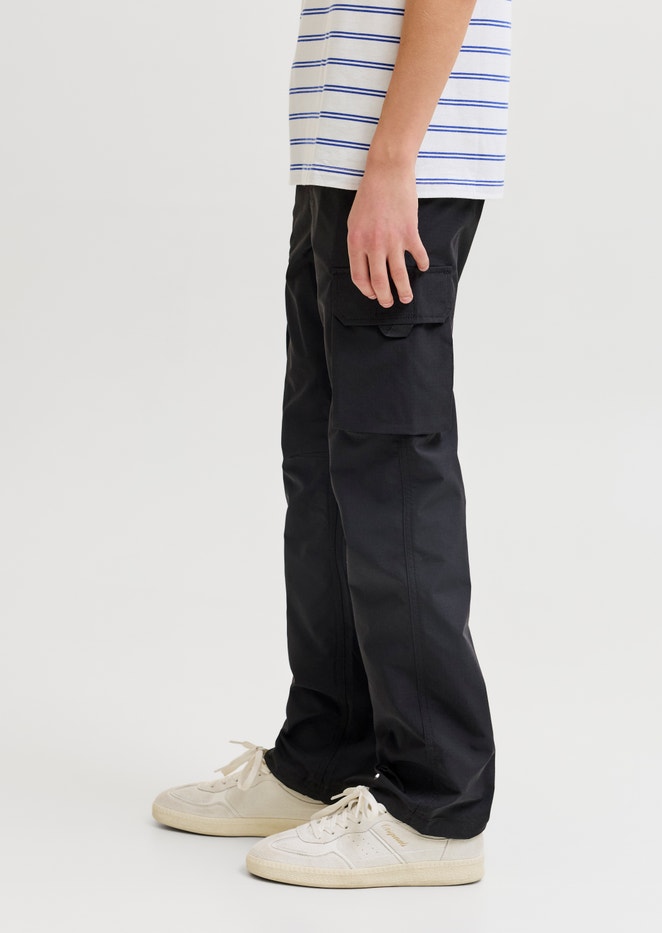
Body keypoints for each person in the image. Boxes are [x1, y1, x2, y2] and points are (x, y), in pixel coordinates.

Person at [152, 0, 512, 888]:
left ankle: (436, 806)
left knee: (392, 477)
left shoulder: (396, 166)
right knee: (321, 474)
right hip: (339, 166)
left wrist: (392, 162)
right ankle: (325, 754)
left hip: (398, 171)